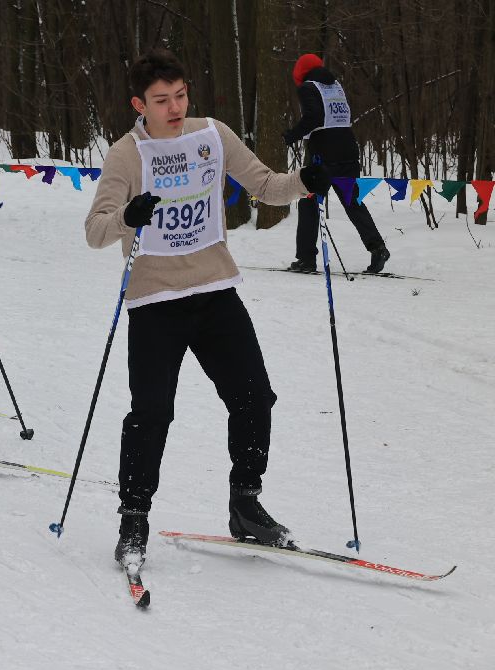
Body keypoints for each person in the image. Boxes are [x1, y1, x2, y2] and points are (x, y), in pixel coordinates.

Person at [84, 49, 332, 574]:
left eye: (180, 96)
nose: (174, 108)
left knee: (254, 398)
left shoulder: (211, 136)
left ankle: (245, 503)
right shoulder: (125, 156)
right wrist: (127, 215)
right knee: (151, 415)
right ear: (139, 104)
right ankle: (133, 518)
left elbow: (265, 185)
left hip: (215, 290)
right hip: (155, 303)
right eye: (161, 100)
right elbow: (96, 230)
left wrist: (307, 181)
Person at [283, 53, 389, 274]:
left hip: (323, 155)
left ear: (300, 73)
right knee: (352, 203)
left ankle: (306, 259)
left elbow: (313, 117)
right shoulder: (335, 86)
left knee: (308, 202)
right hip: (348, 151)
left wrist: (292, 135)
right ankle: (377, 247)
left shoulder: (307, 88)